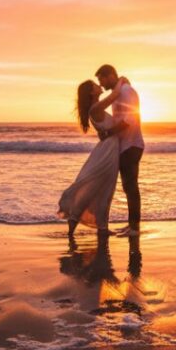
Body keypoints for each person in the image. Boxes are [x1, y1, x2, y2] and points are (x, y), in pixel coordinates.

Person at [56, 76, 130, 236]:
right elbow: (115, 95)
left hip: (109, 149)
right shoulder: (95, 108)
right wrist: (121, 81)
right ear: (91, 92)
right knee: (98, 187)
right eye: (95, 85)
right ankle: (81, 221)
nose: (99, 85)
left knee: (105, 188)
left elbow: (107, 129)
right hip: (107, 151)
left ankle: (99, 226)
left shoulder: (96, 108)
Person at [95, 64, 145, 237]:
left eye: (101, 78)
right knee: (127, 186)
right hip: (125, 145)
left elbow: (129, 120)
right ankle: (131, 225)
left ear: (110, 75)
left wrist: (108, 132)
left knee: (131, 187)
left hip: (131, 145)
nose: (100, 84)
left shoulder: (126, 91)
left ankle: (135, 228)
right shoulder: (118, 92)